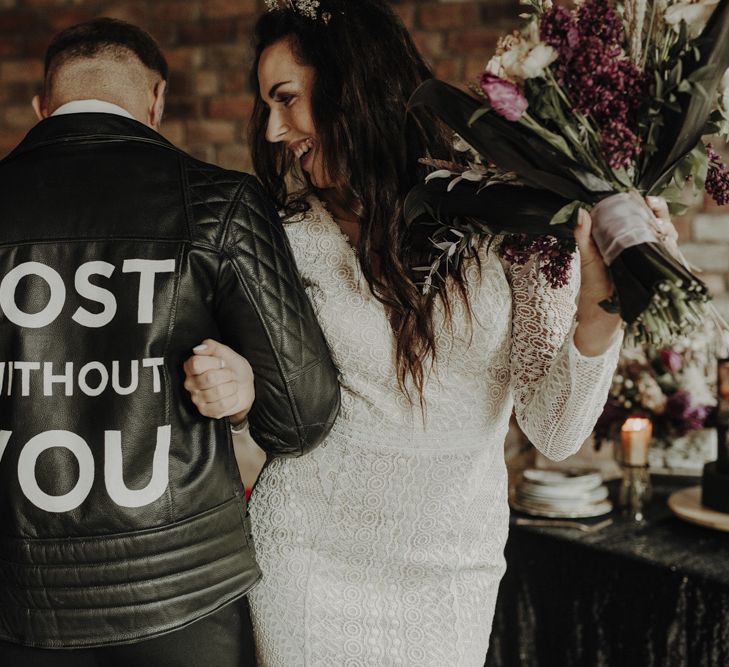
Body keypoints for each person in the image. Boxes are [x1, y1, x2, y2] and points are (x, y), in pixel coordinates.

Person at [183, 1, 673, 664]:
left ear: (350, 84)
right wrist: (239, 386)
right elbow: (277, 390)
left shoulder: (504, 213)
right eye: (266, 104)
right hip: (309, 556)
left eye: (287, 98)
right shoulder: (285, 234)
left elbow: (554, 431)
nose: (273, 129)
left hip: (451, 570)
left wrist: (598, 304)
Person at [0, 17, 339, 666]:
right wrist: (241, 397)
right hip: (182, 593)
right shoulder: (220, 204)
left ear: (43, 108)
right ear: (156, 99)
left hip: (17, 597)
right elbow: (302, 414)